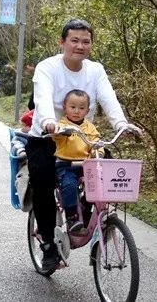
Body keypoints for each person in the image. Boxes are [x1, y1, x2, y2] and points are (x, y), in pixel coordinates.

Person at [27, 18, 139, 272]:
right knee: (43, 183)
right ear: (63, 42)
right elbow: (43, 97)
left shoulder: (95, 70)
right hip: (48, 138)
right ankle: (48, 246)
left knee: (106, 172)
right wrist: (47, 121)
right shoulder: (47, 68)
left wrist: (121, 124)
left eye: (85, 41)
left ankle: (89, 220)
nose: (80, 46)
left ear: (91, 45)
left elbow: (108, 98)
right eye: (74, 40)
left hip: (82, 139)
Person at [53, 89, 101, 233]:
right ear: (65, 107)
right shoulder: (62, 124)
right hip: (66, 164)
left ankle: (86, 208)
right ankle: (72, 216)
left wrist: (98, 151)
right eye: (72, 107)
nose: (76, 111)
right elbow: (56, 134)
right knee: (69, 184)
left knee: (97, 184)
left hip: (85, 164)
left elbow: (96, 141)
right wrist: (59, 131)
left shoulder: (89, 127)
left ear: (87, 110)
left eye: (81, 108)